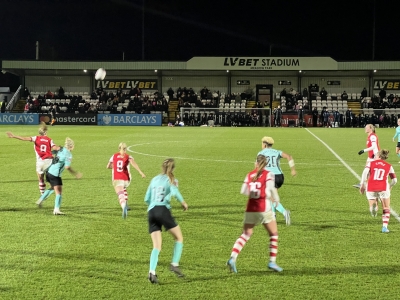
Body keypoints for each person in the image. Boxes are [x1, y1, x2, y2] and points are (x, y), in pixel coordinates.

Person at [226, 154, 283, 273]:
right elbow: (271, 189)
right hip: (263, 208)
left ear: (256, 163)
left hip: (250, 208)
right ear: (265, 164)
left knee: (246, 234)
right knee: (274, 234)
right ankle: (272, 262)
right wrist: (276, 199)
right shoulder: (268, 174)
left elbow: (244, 191)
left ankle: (232, 258)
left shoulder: (249, 175)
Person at [144, 158, 188, 284]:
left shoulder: (154, 179)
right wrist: (183, 202)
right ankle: (174, 264)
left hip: (151, 212)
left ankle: (152, 272)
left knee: (156, 246)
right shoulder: (171, 180)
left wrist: (152, 205)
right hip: (163, 210)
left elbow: (146, 198)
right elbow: (175, 191)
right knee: (179, 238)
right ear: (172, 169)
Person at [6, 122, 59, 195]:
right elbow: (55, 148)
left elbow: (24, 138)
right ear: (45, 132)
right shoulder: (49, 140)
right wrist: (61, 149)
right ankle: (52, 188)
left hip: (40, 162)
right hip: (49, 161)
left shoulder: (36, 138)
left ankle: (42, 195)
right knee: (50, 179)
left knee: (40, 179)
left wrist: (14, 136)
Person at [36, 137, 82, 215]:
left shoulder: (61, 149)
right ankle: (56, 210)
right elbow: (67, 167)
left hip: (49, 171)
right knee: (59, 192)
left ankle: (40, 199)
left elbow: (52, 151)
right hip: (55, 174)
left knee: (52, 187)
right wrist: (76, 174)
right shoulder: (69, 155)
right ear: (72, 146)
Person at [257, 136, 296, 225]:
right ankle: (273, 216)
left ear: (265, 145)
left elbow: (257, 166)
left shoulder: (261, 153)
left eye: (262, 143)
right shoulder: (277, 152)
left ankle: (284, 212)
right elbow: (289, 156)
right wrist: (293, 169)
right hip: (279, 176)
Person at [359, 149, 396, 232]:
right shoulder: (389, 165)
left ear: (379, 156)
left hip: (371, 187)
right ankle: (384, 227)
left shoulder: (371, 163)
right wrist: (390, 186)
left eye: (375, 155)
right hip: (383, 188)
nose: (374, 157)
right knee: (386, 207)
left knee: (373, 203)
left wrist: (362, 184)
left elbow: (365, 172)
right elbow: (395, 180)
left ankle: (373, 208)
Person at [106, 142, 146, 219]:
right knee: (123, 188)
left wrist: (114, 167)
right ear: (126, 149)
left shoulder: (114, 156)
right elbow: (133, 163)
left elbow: (108, 166)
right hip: (126, 178)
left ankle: (123, 205)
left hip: (117, 178)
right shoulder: (128, 156)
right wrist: (141, 172)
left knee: (120, 193)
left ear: (118, 148)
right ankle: (126, 204)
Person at [354, 124, 381, 188]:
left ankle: (363, 184)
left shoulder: (372, 136)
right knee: (368, 171)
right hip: (371, 156)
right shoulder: (370, 136)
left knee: (367, 171)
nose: (365, 128)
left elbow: (374, 146)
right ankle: (367, 184)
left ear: (370, 129)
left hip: (374, 156)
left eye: (366, 127)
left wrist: (363, 150)